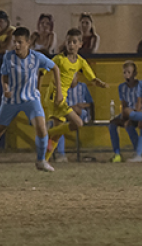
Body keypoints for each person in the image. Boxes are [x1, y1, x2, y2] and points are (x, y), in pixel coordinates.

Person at [0, 27, 61, 173]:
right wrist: (5, 88)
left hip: (31, 99)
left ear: (28, 43)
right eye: (15, 42)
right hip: (11, 100)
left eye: (20, 42)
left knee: (41, 128)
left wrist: (59, 93)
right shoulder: (8, 57)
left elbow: (55, 68)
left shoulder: (36, 57)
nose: (16, 45)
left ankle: (41, 160)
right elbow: (4, 75)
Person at [44, 28, 109, 161]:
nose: (71, 45)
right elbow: (42, 70)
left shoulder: (80, 61)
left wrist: (100, 83)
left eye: (74, 42)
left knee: (58, 132)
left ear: (80, 44)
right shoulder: (59, 59)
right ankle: (45, 135)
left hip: (62, 98)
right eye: (69, 42)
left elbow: (91, 77)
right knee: (78, 123)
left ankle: (43, 160)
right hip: (54, 97)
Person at [108, 61, 142, 163]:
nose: (127, 75)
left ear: (135, 73)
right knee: (112, 124)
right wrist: (123, 116)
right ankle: (117, 153)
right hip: (127, 112)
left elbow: (140, 104)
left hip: (138, 112)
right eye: (125, 72)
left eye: (129, 72)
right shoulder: (122, 87)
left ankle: (138, 152)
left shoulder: (140, 85)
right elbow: (123, 103)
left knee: (129, 125)